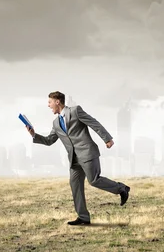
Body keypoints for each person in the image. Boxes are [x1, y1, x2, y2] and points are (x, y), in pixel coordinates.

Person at [26, 91, 130, 225]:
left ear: (57, 101)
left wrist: (107, 138)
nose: (48, 105)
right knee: (75, 184)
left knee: (94, 180)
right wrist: (34, 135)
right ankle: (83, 217)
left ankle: (121, 189)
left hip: (87, 153)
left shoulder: (75, 111)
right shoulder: (56, 123)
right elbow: (49, 140)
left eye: (49, 102)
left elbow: (94, 123)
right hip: (74, 159)